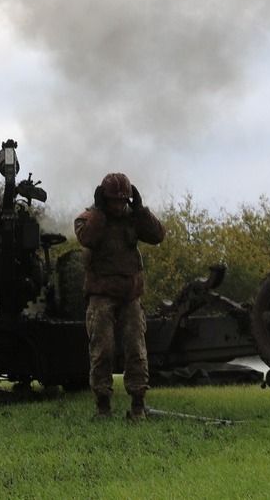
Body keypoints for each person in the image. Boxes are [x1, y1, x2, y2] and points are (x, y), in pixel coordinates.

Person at [73, 172, 165, 420]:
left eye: (123, 201)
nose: (119, 205)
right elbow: (88, 238)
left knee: (136, 349)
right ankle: (103, 406)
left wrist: (140, 209)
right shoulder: (88, 219)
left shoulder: (132, 219)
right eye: (114, 200)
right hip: (101, 296)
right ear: (104, 199)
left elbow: (157, 235)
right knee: (102, 350)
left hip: (130, 295)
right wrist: (100, 214)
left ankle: (138, 404)